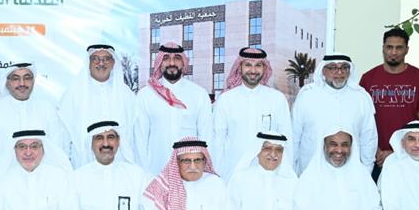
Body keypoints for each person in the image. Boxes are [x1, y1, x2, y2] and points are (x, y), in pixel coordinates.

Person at [359, 28, 419, 181]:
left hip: (409, 157)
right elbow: (360, 120)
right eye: (389, 47)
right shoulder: (368, 79)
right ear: (383, 48)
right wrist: (374, 150)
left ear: (407, 49)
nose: (393, 52)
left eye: (399, 48)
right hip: (374, 158)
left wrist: (397, 152)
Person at [212, 47, 292, 179]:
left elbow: (286, 139)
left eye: (258, 65)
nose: (253, 70)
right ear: (240, 67)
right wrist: (218, 175)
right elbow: (217, 141)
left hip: (268, 175)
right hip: (233, 173)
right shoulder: (226, 99)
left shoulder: (277, 99)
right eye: (248, 65)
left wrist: (286, 173)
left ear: (264, 68)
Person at [135, 43, 213, 175]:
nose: (172, 63)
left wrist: (203, 169)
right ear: (159, 63)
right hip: (155, 169)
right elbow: (140, 138)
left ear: (183, 63)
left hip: (190, 170)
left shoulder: (199, 94)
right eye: (166, 58)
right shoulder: (146, 95)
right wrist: (144, 172)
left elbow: (206, 135)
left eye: (177, 58)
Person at [291, 54, 377, 174]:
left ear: (350, 71)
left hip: (350, 173)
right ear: (323, 71)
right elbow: (294, 137)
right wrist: (292, 170)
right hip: (311, 172)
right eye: (333, 67)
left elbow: (368, 138)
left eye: (344, 67)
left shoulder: (361, 98)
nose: (339, 72)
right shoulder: (307, 96)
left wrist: (367, 170)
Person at [59, 44, 137, 168]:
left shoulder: (125, 93)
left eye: (106, 59)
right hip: (84, 162)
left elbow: (133, 131)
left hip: (120, 161)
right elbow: (64, 132)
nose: (101, 63)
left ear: (113, 63)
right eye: (95, 59)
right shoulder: (74, 92)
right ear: (88, 63)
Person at [0, 62, 68, 167]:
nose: (22, 83)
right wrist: (14, 170)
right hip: (6, 174)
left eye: (27, 78)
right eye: (16, 79)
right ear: (7, 83)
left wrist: (38, 170)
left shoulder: (47, 108)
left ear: (33, 81)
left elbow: (57, 145)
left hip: (44, 173)